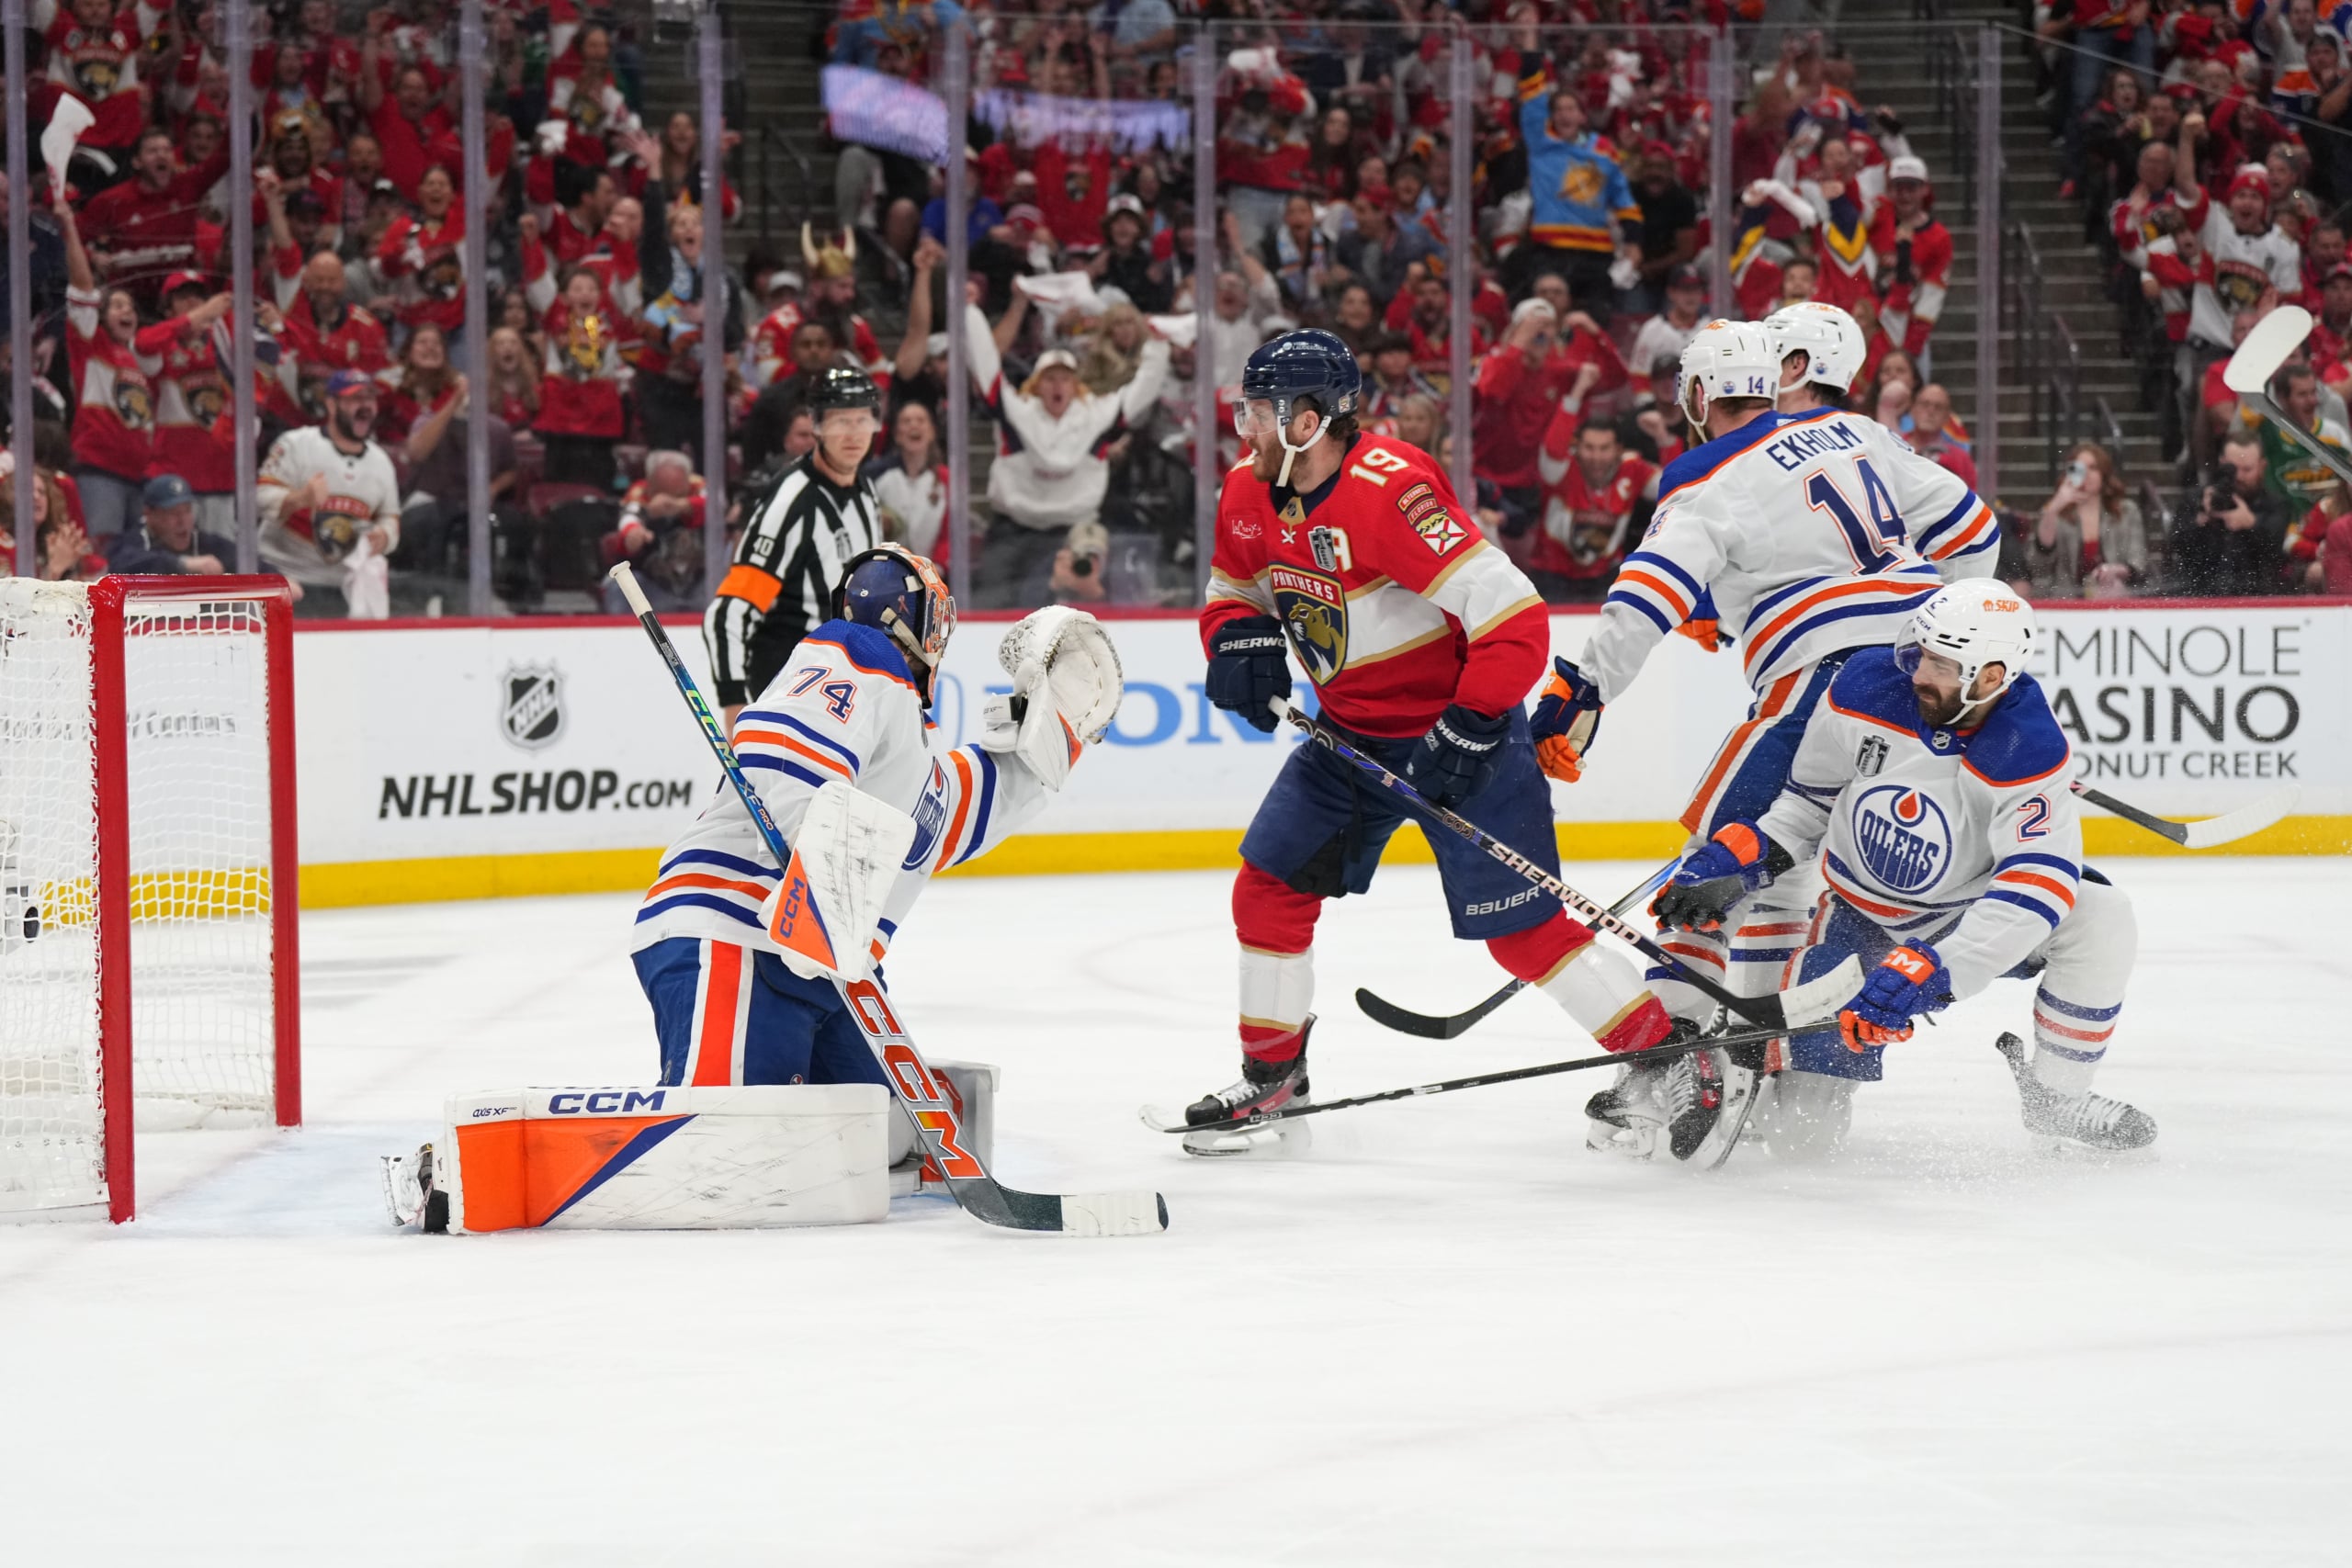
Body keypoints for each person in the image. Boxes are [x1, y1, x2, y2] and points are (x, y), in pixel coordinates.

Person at [1186, 329, 1678, 1156]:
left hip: (1460, 737)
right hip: (1347, 739)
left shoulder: (1390, 490)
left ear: (1310, 419)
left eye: (1260, 412)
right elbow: (1233, 588)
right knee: (1267, 886)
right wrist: (1233, 636)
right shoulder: (1245, 489)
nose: (1246, 427)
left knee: (1522, 932)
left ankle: (1664, 1060)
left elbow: (1516, 617)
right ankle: (1273, 1075)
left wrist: (1478, 716)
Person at [1531, 319, 2001, 1152]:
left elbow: (1644, 600)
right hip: (1927, 685)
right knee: (1817, 879)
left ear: (1701, 397)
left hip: (1823, 686)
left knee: (1716, 867)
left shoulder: (1703, 480)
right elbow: (1975, 534)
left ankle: (1665, 1066)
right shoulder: (1856, 431)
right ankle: (1785, 1073)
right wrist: (1942, 658)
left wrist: (1578, 690)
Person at [1651, 583, 2155, 1158]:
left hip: (1958, 917)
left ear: (1990, 677)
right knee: (1802, 1138)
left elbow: (2034, 885)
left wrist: (1942, 969)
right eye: (1918, 653)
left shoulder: (2026, 748)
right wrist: (1748, 858)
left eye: (1940, 663)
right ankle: (1748, 1075)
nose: (1917, 672)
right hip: (1853, 918)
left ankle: (2059, 1096)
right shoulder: (1866, 687)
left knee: (2102, 915)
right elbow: (1808, 802)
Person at [628, 548, 1107, 1098]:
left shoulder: (909, 748)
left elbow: (947, 818)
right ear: (915, 620)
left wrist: (1048, 737)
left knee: (886, 1140)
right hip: (733, 930)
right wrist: (819, 881)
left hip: (826, 968)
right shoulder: (857, 651)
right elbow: (781, 747)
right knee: (727, 1150)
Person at [705, 368, 886, 728]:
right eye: (840, 421)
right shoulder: (793, 501)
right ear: (816, 426)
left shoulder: (866, 491)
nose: (853, 434)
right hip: (790, 693)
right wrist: (734, 707)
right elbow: (729, 613)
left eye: (862, 420)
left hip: (843, 690)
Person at [964, 299, 1169, 606]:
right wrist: (970, 311)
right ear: (1036, 385)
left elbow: (1141, 392)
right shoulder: (1018, 412)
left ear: (1075, 386)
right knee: (989, 607)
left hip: (1071, 535)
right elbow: (986, 370)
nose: (1056, 385)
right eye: (1049, 378)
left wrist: (1158, 347)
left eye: (1064, 378)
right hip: (1012, 531)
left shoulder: (1094, 416)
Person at [53, 187, 158, 538]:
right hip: (99, 471)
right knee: (100, 562)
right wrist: (70, 226)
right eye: (117, 306)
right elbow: (83, 286)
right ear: (100, 315)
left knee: (135, 570)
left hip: (140, 476)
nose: (126, 311)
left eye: (130, 306)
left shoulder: (142, 357)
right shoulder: (91, 344)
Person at [255, 369, 402, 618]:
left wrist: (384, 536)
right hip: (285, 580)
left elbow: (391, 517)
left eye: (370, 399)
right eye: (355, 399)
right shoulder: (296, 444)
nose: (365, 406)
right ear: (332, 405)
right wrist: (300, 498)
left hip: (345, 587)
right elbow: (260, 497)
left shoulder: (381, 462)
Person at [1527, 413, 1657, 602]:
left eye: (1604, 449)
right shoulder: (1560, 470)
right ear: (1576, 448)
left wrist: (1664, 440)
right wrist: (1574, 396)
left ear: (1619, 449)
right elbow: (1552, 450)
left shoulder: (1633, 470)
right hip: (1552, 576)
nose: (1596, 457)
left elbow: (1675, 488)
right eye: (1589, 448)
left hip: (1604, 577)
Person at [2171, 427, 2291, 594]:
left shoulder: (2275, 505)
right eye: (2233, 469)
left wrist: (2252, 524)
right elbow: (2176, 544)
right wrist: (2203, 518)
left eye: (2247, 469)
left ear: (2262, 466)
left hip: (2257, 593)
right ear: (2222, 463)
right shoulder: (2195, 499)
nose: (2239, 477)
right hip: (2198, 591)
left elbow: (2277, 551)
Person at [2025, 442, 2148, 598]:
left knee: (2112, 589)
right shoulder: (2057, 512)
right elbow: (2038, 563)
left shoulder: (2126, 511)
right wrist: (2054, 507)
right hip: (2067, 598)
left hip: (2113, 594)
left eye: (2093, 468)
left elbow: (2139, 562)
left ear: (2104, 474)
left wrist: (2116, 570)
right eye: (2080, 468)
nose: (2087, 474)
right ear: (2070, 473)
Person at [104, 473, 260, 581]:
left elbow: (255, 565)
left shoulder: (205, 543)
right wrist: (182, 565)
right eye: (173, 513)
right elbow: (119, 565)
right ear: (149, 515)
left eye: (187, 511)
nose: (182, 521)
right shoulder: (132, 542)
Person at [867, 400, 949, 560]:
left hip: (933, 576)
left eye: (920, 420)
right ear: (897, 435)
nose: (914, 426)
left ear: (932, 432)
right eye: (906, 421)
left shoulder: (946, 479)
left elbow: (952, 533)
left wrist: (935, 570)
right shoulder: (878, 477)